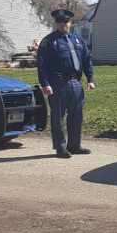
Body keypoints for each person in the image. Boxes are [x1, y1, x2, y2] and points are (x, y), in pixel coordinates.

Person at [37, 9, 95, 158]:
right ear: (56, 23)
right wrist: (45, 84)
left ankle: (74, 145)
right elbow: (42, 65)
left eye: (66, 22)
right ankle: (60, 147)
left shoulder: (77, 39)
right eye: (60, 22)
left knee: (76, 115)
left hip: (75, 81)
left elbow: (87, 59)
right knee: (58, 116)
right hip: (57, 83)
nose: (63, 25)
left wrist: (90, 79)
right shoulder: (48, 42)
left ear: (71, 23)